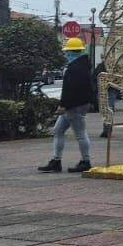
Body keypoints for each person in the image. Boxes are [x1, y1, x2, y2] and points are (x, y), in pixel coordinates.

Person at [40, 37, 94, 173]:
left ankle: (85, 161)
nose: (66, 55)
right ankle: (56, 161)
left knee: (80, 134)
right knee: (58, 130)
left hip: (73, 106)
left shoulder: (74, 68)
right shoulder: (84, 65)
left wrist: (63, 105)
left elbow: (69, 89)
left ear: (71, 52)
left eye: (67, 52)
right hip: (80, 104)